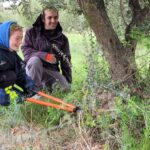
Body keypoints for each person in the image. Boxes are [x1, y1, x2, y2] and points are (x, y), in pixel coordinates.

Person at [21, 6, 72, 92]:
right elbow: (25, 50)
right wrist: (44, 56)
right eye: (49, 17)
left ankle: (45, 86)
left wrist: (68, 81)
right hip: (33, 69)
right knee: (35, 61)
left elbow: (66, 61)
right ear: (43, 19)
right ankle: (33, 92)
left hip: (51, 71)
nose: (53, 20)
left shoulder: (63, 39)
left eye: (55, 17)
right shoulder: (31, 32)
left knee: (65, 88)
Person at [0, 21, 36, 106]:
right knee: (16, 99)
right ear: (6, 37)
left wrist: (30, 87)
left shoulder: (12, 53)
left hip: (5, 85)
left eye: (21, 38)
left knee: (23, 97)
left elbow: (21, 72)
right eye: (17, 38)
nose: (20, 42)